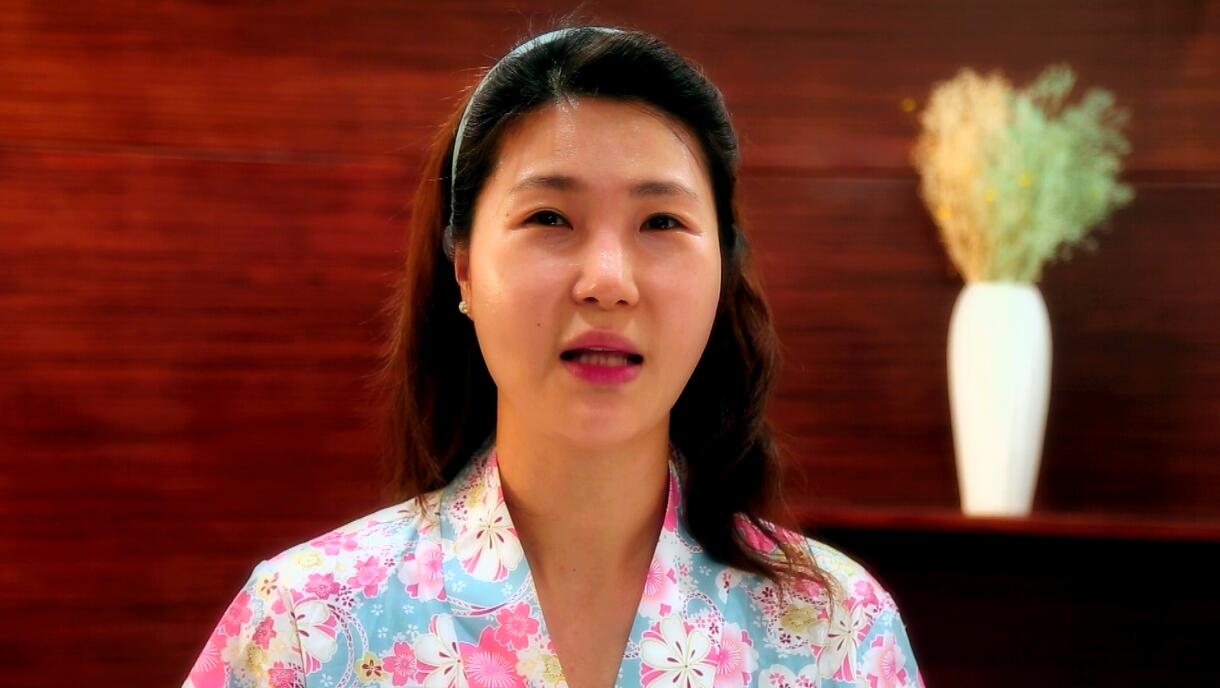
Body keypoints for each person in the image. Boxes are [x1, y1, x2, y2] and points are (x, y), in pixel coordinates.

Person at [183, 23, 925, 688]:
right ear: (463, 266)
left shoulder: (836, 634)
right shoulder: (306, 626)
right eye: (549, 217)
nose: (608, 281)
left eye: (661, 222)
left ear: (722, 275)